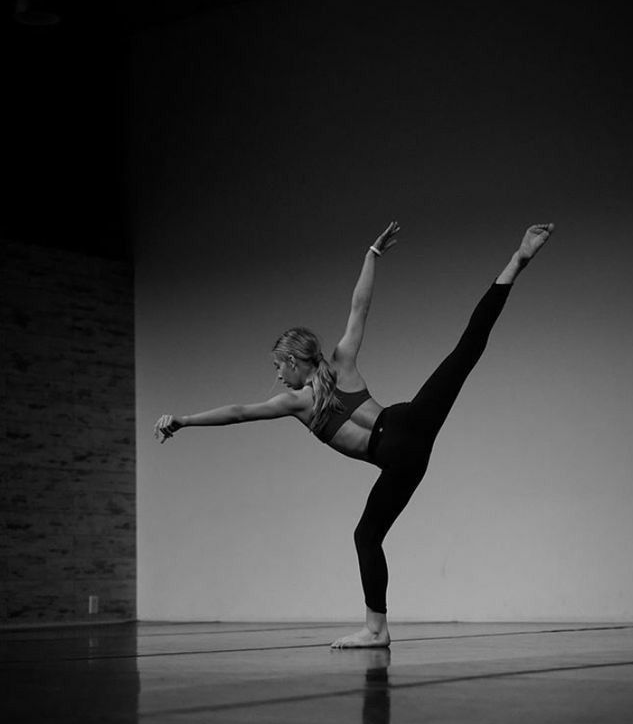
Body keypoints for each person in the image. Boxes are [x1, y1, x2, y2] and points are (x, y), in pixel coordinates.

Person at [155, 221, 554, 648]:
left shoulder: (300, 402)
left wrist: (184, 419)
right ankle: (516, 261)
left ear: (293, 360)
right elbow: (359, 306)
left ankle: (376, 629)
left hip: (399, 455)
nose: (276, 375)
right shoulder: (342, 361)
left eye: (278, 365)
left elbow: (238, 413)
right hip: (412, 426)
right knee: (467, 348)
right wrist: (371, 256)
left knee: (367, 536)